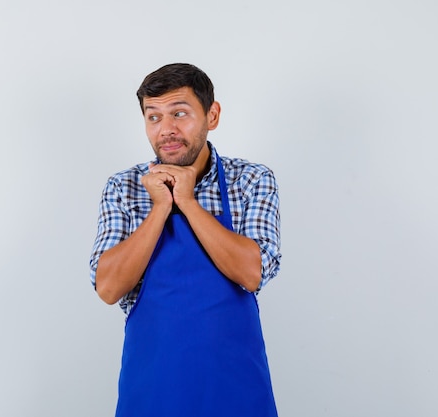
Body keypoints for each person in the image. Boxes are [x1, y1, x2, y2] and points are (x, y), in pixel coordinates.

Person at [89, 63, 281, 417]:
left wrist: (188, 202)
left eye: (180, 113)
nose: (166, 130)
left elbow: (251, 272)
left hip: (237, 393)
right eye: (154, 117)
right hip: (152, 394)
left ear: (213, 114)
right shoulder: (124, 187)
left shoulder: (251, 180)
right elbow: (108, 287)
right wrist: (160, 207)